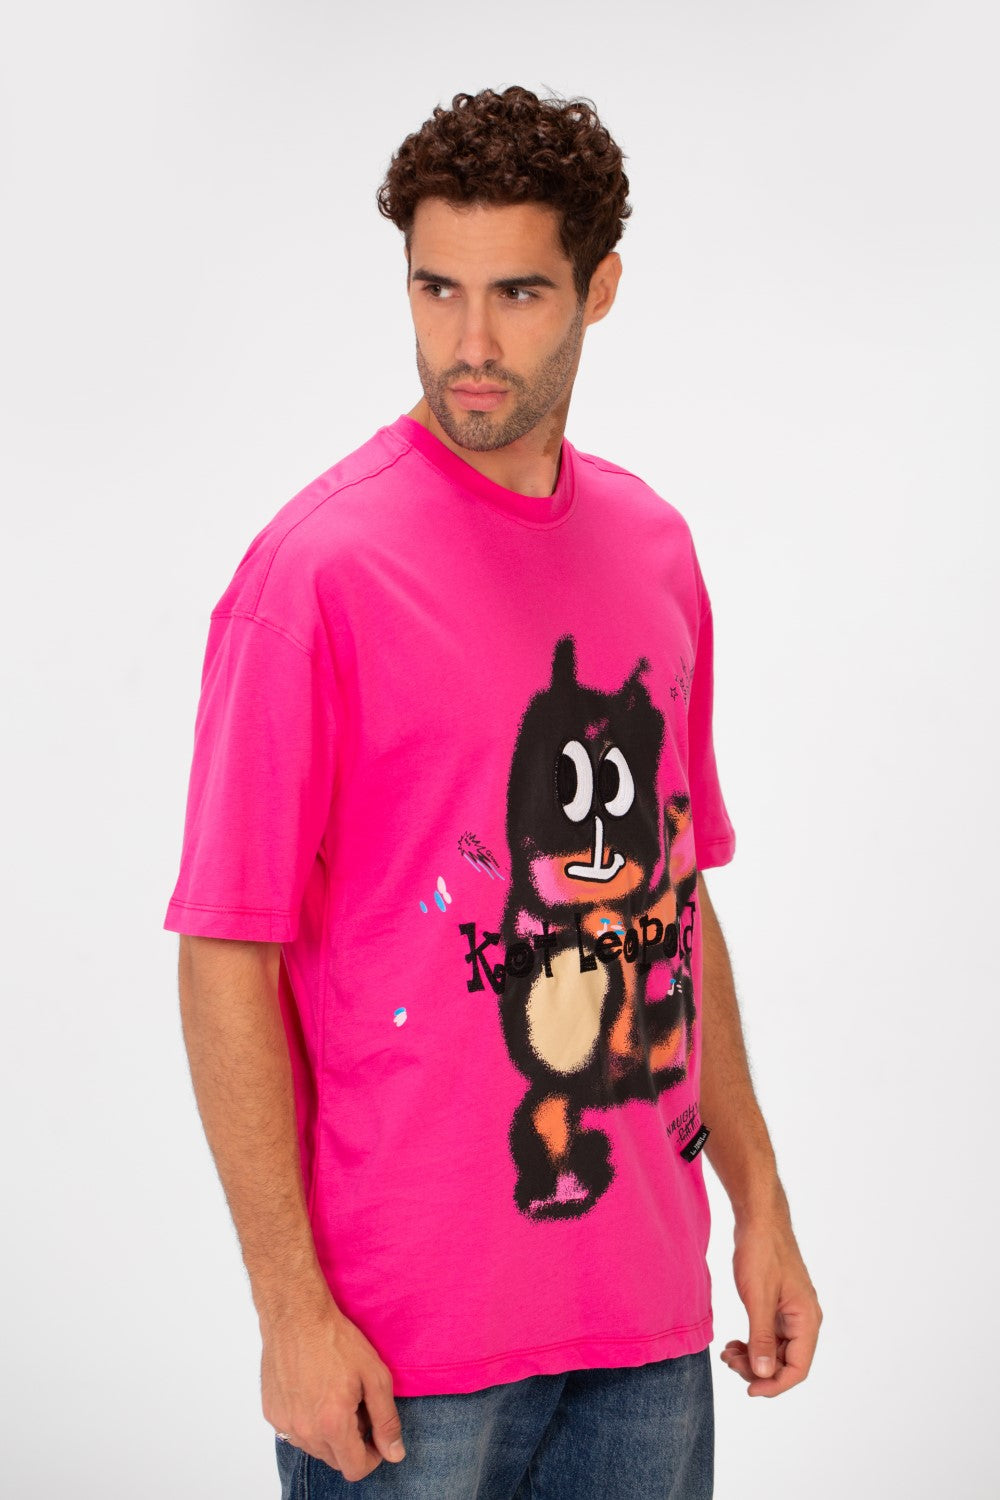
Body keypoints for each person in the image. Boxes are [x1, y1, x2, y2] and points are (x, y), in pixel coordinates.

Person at [164, 85, 822, 1498]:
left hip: (646, 1322)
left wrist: (759, 1198)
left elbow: (673, 891)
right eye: (436, 289)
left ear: (599, 288)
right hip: (402, 1347)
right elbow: (225, 952)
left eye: (518, 293)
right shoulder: (314, 577)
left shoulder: (653, 548)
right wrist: (289, 1312)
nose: (469, 344)